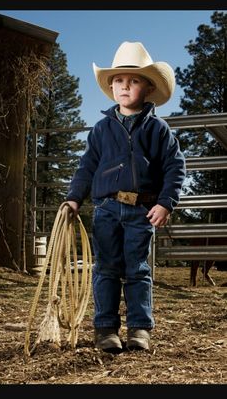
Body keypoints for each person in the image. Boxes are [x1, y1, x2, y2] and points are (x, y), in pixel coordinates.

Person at [66, 41, 186, 352]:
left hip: (141, 210)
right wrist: (74, 198)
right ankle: (105, 328)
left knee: (138, 269)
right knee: (105, 267)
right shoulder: (102, 130)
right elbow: (86, 167)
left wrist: (165, 202)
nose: (124, 86)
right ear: (111, 86)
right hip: (106, 208)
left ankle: (139, 328)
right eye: (118, 80)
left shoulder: (158, 130)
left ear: (148, 88)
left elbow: (174, 167)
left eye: (133, 80)